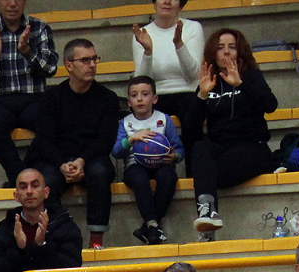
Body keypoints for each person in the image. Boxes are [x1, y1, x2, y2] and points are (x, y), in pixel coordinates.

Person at [29, 37, 119, 250]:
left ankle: (96, 239)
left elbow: (105, 140)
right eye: (85, 60)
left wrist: (81, 160)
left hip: (91, 158)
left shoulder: (108, 98)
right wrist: (62, 164)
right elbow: (44, 140)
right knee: (46, 181)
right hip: (58, 159)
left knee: (100, 172)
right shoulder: (51, 98)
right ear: (69, 65)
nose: (92, 65)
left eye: (95, 59)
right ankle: (59, 235)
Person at [190, 28, 276, 240]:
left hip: (252, 146)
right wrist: (201, 95)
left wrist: (241, 84)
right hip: (220, 148)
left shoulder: (251, 76)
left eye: (232, 47)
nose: (226, 53)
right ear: (213, 53)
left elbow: (270, 105)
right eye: (220, 48)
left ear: (240, 52)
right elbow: (191, 128)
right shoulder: (208, 82)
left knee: (209, 171)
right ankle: (207, 212)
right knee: (200, 149)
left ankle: (208, 225)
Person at [0, 0, 58, 187]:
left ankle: (22, 177)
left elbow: (51, 68)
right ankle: (21, 177)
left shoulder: (39, 28)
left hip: (33, 98)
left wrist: (29, 53)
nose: (12, 3)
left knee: (53, 120)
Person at [114, 75, 184, 246]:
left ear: (154, 98)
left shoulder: (163, 119)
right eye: (134, 95)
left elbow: (179, 149)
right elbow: (116, 152)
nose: (139, 99)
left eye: (145, 94)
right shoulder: (125, 123)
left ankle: (150, 225)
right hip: (134, 165)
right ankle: (153, 224)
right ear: (129, 102)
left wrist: (174, 157)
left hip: (161, 164)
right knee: (139, 179)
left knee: (169, 177)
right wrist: (131, 139)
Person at [131, 0, 203, 144]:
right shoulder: (143, 34)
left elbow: (193, 76)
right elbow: (142, 81)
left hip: (188, 92)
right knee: (144, 111)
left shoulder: (193, 28)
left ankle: (194, 165)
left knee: (192, 116)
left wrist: (179, 45)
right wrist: (148, 52)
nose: (167, 1)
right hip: (156, 95)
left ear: (181, 4)